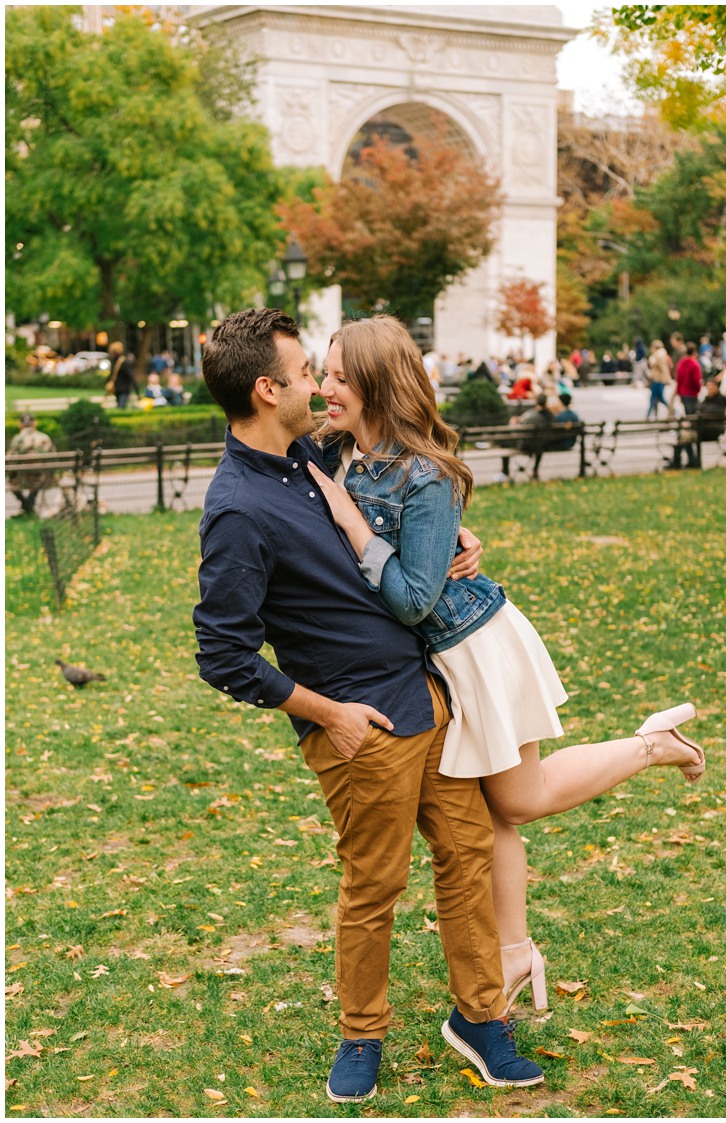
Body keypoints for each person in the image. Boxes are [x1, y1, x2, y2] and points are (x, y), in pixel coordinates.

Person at [306, 315, 707, 1024]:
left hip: (475, 647)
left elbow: (411, 599)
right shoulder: (332, 451)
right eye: (324, 373)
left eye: (338, 377)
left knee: (517, 800)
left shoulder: (423, 473)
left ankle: (652, 746)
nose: (325, 388)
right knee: (486, 812)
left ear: (373, 383)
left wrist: (356, 526)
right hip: (430, 664)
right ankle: (516, 950)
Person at [193, 308, 544, 1102]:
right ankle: (362, 1034)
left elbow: (398, 502)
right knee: (373, 885)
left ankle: (481, 1019)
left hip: (428, 696)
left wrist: (457, 535)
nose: (319, 385)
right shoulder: (238, 507)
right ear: (266, 387)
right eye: (306, 373)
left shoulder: (312, 452)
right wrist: (327, 713)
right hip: (359, 728)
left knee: (466, 859)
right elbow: (223, 655)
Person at [8, 412, 56, 517]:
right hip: (44, 478)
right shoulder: (44, 437)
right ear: (34, 423)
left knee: (10, 482)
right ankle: (29, 506)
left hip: (21, 479)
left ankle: (27, 507)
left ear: (20, 424)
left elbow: (11, 460)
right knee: (38, 477)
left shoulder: (17, 439)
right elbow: (53, 458)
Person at [673, 340, 702, 418]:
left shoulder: (681, 363)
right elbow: (697, 380)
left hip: (683, 392)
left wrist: (679, 391)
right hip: (692, 392)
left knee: (687, 413)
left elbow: (678, 379)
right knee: (693, 415)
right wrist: (698, 389)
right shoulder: (694, 364)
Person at [646, 339, 672, 420]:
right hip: (656, 379)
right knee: (655, 398)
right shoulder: (657, 356)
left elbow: (664, 369)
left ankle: (671, 409)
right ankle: (652, 415)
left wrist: (668, 380)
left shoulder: (659, 357)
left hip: (659, 380)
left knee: (656, 398)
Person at [106, 341, 137, 409]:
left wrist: (137, 391)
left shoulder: (124, 362)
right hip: (117, 389)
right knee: (119, 406)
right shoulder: (113, 361)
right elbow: (112, 374)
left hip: (124, 389)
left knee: (121, 407)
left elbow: (131, 376)